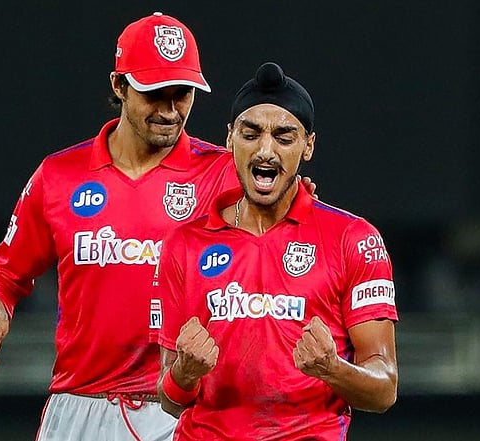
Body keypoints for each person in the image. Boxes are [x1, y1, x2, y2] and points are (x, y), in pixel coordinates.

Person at [0, 12, 249, 441]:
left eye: (183, 94)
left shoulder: (224, 174)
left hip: (183, 410)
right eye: (155, 94)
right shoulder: (59, 177)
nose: (170, 111)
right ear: (119, 86)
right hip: (80, 408)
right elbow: (3, 275)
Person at [156, 62, 399, 440]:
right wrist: (185, 373)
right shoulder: (184, 244)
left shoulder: (353, 238)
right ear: (229, 139)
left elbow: (384, 389)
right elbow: (170, 398)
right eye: (251, 134)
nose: (265, 150)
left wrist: (332, 368)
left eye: (284, 137)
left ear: (308, 146)